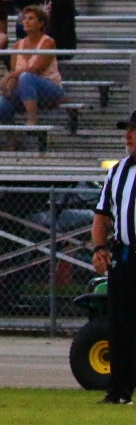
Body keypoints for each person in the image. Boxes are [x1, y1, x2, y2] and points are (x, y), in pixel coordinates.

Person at [89, 119, 136, 405]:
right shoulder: (118, 171)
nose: (128, 136)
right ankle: (119, 391)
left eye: (134, 130)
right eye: (127, 131)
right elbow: (102, 215)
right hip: (126, 256)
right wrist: (99, 248)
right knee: (120, 325)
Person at [0, 5, 63, 126]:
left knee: (26, 77)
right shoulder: (17, 45)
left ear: (41, 23)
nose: (26, 21)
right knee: (2, 102)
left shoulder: (48, 42)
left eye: (31, 18)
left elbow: (36, 69)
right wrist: (8, 86)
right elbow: (15, 72)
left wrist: (8, 76)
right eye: (24, 18)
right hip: (24, 90)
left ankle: (32, 119)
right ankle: (11, 139)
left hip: (49, 87)